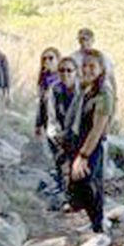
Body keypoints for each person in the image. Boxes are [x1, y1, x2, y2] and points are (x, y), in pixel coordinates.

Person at [64, 49, 113, 241]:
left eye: (92, 66)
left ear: (101, 69)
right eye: (84, 65)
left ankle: (99, 228)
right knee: (80, 186)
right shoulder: (86, 88)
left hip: (91, 146)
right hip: (78, 142)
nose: (87, 70)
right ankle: (93, 225)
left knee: (92, 184)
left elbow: (98, 128)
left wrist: (83, 156)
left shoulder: (104, 94)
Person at [33, 48, 74, 203]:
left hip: (63, 127)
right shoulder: (45, 79)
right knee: (57, 158)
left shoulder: (63, 79)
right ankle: (60, 185)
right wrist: (39, 124)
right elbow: (42, 105)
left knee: (65, 159)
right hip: (50, 125)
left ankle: (68, 191)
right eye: (44, 59)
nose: (47, 62)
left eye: (51, 58)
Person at [68, 27, 117, 110]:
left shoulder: (103, 58)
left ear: (92, 40)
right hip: (78, 95)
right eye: (81, 40)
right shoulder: (73, 58)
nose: (83, 42)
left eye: (86, 39)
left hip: (100, 93)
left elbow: (111, 77)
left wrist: (114, 96)